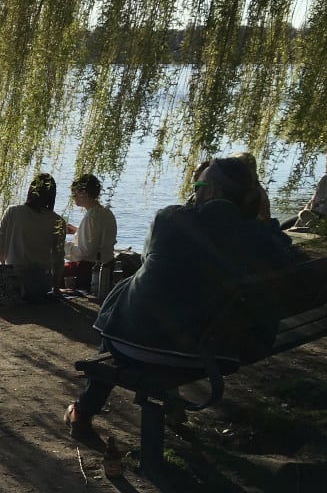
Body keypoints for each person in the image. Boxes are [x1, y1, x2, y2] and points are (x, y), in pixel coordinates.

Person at [64, 156, 294, 440]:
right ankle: (170, 407)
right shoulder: (259, 236)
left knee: (132, 306)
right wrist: (263, 218)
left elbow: (152, 261)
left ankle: (84, 412)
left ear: (210, 191)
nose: (194, 190)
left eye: (197, 184)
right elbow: (286, 255)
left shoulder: (170, 219)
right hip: (213, 350)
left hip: (139, 345)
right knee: (175, 308)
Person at [0, 173, 66, 299]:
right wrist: (56, 288)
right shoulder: (58, 221)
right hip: (41, 285)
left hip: (14, 282)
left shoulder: (12, 212)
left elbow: (1, 250)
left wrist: (9, 268)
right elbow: (58, 260)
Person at [63, 174, 117, 290]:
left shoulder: (91, 217)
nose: (73, 197)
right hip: (108, 265)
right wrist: (78, 231)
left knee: (55, 272)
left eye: (75, 193)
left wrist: (62, 245)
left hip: (91, 270)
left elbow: (84, 252)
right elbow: (99, 237)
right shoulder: (106, 213)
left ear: (84, 193)